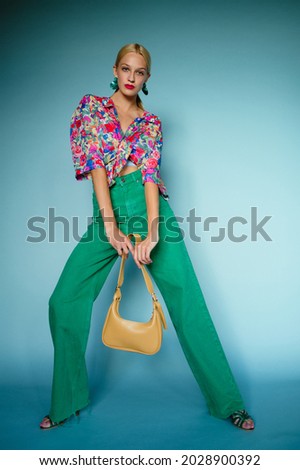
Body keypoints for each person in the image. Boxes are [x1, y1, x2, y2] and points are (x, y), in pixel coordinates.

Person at [40, 43, 255, 431]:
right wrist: (109, 224)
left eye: (139, 72)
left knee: (188, 303)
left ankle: (228, 403)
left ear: (147, 78)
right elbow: (95, 167)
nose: (131, 77)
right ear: (115, 69)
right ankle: (66, 400)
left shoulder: (150, 123)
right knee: (64, 300)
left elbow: (151, 176)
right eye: (126, 69)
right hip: (109, 211)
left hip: (149, 208)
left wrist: (153, 232)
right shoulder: (91, 108)